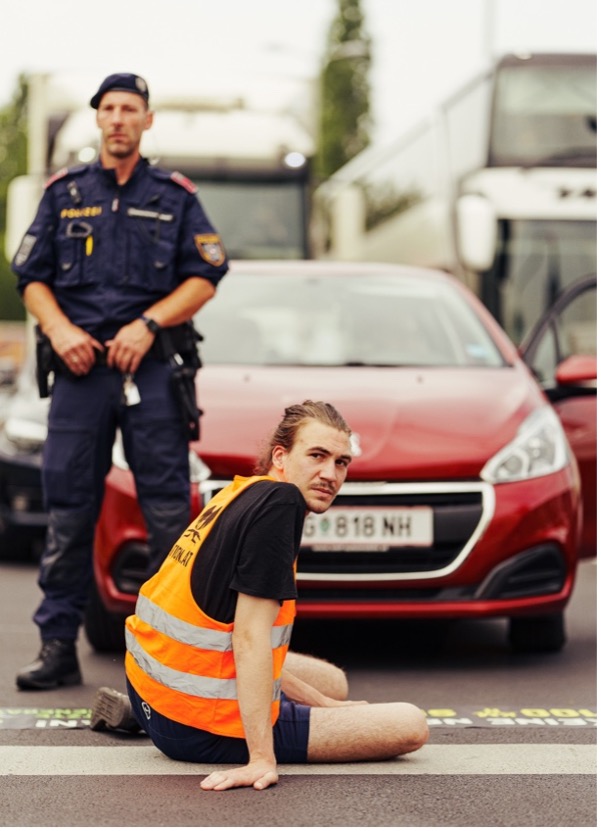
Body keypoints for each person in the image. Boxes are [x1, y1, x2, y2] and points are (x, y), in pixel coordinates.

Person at [12, 73, 228, 691]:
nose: (118, 119)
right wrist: (59, 331)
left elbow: (207, 274)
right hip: (80, 375)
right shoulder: (63, 193)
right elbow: (31, 274)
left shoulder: (175, 196)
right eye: (108, 109)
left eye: (130, 109)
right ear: (98, 120)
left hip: (151, 371)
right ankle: (57, 647)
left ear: (147, 121)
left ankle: (168, 654)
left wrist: (147, 324)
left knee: (166, 514)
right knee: (69, 513)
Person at [90, 401, 428, 791]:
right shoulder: (281, 507)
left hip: (151, 689)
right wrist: (261, 760)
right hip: (197, 725)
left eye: (341, 462)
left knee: (333, 682)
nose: (330, 474)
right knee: (408, 724)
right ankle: (206, 729)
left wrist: (324, 705)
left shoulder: (239, 492)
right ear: (280, 456)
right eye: (317, 456)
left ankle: (141, 714)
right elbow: (250, 639)